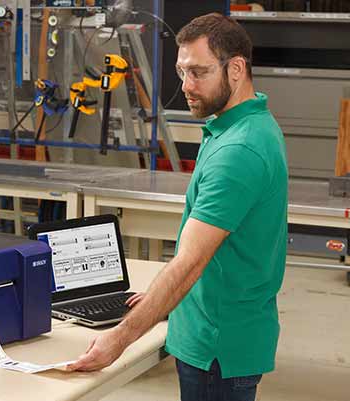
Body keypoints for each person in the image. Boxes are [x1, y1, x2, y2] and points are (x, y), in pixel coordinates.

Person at [67, 12, 288, 401]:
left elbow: (190, 262)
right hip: (222, 325)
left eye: (198, 72)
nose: (186, 86)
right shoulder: (242, 124)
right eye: (181, 71)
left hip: (216, 346)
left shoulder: (238, 150)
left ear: (236, 69)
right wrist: (160, 299)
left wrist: (119, 339)